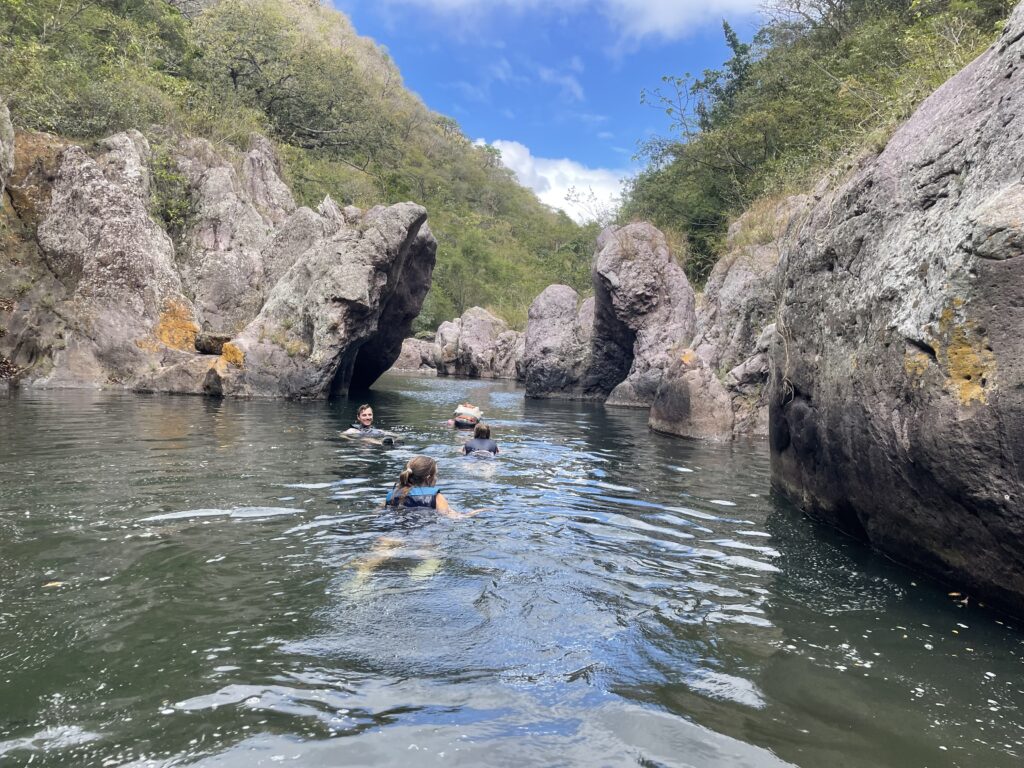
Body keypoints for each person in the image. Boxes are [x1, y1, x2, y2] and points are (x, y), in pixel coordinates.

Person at [385, 455, 481, 519]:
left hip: (396, 529)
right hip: (424, 534)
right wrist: (476, 512)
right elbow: (452, 517)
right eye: (435, 475)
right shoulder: (436, 497)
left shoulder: (392, 495)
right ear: (428, 478)